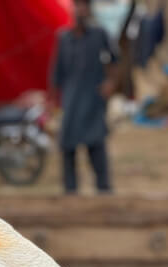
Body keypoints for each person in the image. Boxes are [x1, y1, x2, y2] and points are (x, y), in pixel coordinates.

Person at [50, 0, 119, 195]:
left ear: (89, 10)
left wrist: (110, 83)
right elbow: (56, 72)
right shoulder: (63, 37)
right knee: (67, 145)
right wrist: (53, 101)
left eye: (84, 6)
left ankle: (104, 189)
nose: (80, 10)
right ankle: (70, 191)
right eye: (77, 5)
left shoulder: (99, 35)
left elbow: (115, 61)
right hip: (71, 99)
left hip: (93, 98)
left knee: (96, 143)